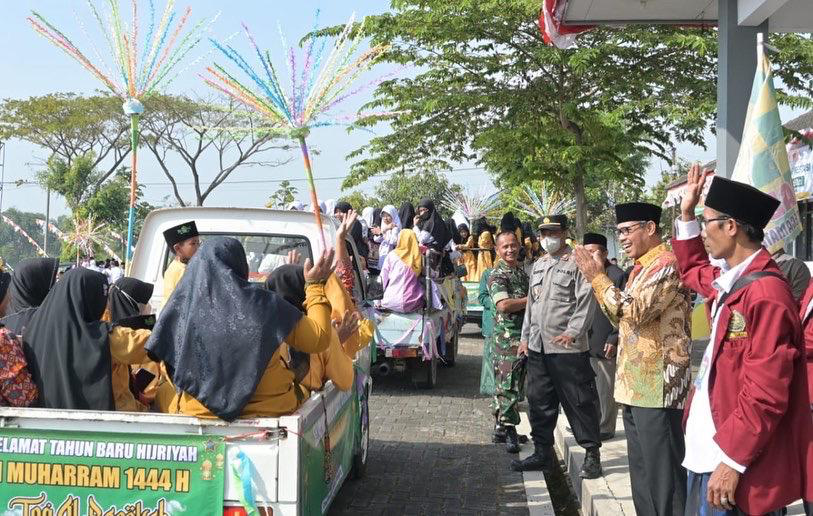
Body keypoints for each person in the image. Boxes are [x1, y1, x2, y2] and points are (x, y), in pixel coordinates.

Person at [675, 167, 813, 515]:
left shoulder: (765, 293)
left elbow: (766, 391)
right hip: (709, 453)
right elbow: (692, 270)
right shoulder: (729, 282)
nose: (703, 233)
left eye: (707, 224)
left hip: (733, 465)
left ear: (731, 226)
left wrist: (733, 460)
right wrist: (687, 216)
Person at [572, 202, 692, 516]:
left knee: (664, 479)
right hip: (636, 385)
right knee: (641, 476)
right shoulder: (641, 267)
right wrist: (600, 283)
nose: (622, 238)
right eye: (619, 232)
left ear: (650, 228)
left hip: (659, 385)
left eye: (627, 230)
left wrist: (598, 278)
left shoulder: (666, 262)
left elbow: (634, 312)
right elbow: (620, 318)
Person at [146, 237, 335, 421]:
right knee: (301, 390)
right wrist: (314, 286)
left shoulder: (180, 309)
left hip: (197, 411)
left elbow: (163, 357)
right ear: (240, 266)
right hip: (270, 410)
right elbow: (318, 339)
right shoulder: (266, 304)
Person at [512, 215, 602, 479]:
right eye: (543, 233)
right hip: (539, 348)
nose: (547, 238)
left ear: (564, 233)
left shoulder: (578, 262)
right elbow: (532, 305)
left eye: (552, 232)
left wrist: (574, 331)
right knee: (539, 402)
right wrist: (525, 337)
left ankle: (591, 455)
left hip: (568, 349)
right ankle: (542, 453)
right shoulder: (538, 265)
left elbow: (587, 299)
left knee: (579, 401)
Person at [23, 268, 152, 410]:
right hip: (108, 424)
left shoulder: (31, 333)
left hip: (51, 421)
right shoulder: (102, 337)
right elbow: (149, 344)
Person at [267, 265, 359, 394]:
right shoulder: (320, 332)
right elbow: (345, 381)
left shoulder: (259, 330)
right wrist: (335, 340)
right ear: (305, 293)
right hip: (301, 406)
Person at [487, 229, 529, 454]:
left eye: (513, 245)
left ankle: (500, 428)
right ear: (497, 250)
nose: (510, 249)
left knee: (510, 384)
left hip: (521, 336)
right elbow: (503, 305)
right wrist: (531, 300)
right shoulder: (498, 275)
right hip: (507, 340)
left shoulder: (520, 273)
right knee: (508, 385)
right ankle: (509, 428)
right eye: (505, 246)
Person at [582, 232, 627, 441]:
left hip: (604, 337)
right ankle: (588, 425)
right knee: (586, 388)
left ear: (605, 253)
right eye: (586, 252)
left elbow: (625, 312)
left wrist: (614, 336)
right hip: (583, 339)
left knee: (604, 387)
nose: (590, 256)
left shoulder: (616, 274)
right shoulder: (581, 274)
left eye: (594, 252)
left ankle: (605, 427)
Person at [104, 277, 157, 411]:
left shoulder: (106, 322)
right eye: (143, 301)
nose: (147, 306)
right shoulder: (117, 335)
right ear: (131, 302)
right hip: (128, 407)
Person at [1, 257, 59, 336]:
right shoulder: (50, 322)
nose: (56, 287)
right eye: (52, 283)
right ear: (36, 285)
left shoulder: (5, 322)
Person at [378, 229, 424, 313]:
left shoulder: (392, 255)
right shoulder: (418, 257)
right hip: (411, 303)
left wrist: (377, 300)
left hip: (390, 302)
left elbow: (382, 278)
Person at [162, 220, 200, 304]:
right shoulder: (178, 271)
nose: (198, 247)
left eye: (198, 243)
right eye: (193, 244)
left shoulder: (186, 266)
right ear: (178, 248)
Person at [478, 265, 497, 395]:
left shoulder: (520, 273)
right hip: (492, 324)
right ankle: (491, 391)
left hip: (514, 326)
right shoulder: (488, 273)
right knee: (491, 359)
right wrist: (499, 303)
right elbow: (482, 297)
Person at [375, 204, 402, 270]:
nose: (385, 218)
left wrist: (383, 233)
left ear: (393, 216)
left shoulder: (395, 227)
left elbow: (393, 241)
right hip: (383, 253)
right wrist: (383, 231)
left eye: (388, 215)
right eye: (383, 216)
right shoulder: (384, 226)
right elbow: (376, 239)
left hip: (391, 253)